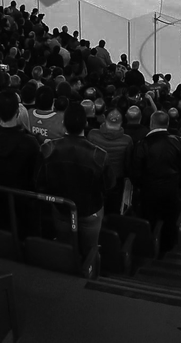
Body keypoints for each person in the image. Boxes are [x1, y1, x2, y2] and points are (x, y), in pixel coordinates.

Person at [36, 103, 109, 256]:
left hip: (61, 209)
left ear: (63, 123)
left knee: (65, 247)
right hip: (89, 213)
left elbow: (41, 182)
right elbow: (108, 185)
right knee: (90, 250)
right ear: (86, 123)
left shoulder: (48, 149)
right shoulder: (99, 155)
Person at [130, 110, 181, 254]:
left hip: (149, 191)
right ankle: (167, 249)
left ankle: (148, 250)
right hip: (171, 190)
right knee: (169, 221)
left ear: (151, 124)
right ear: (167, 124)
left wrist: (141, 186)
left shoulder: (142, 144)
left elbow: (135, 172)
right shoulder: (177, 142)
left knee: (149, 220)